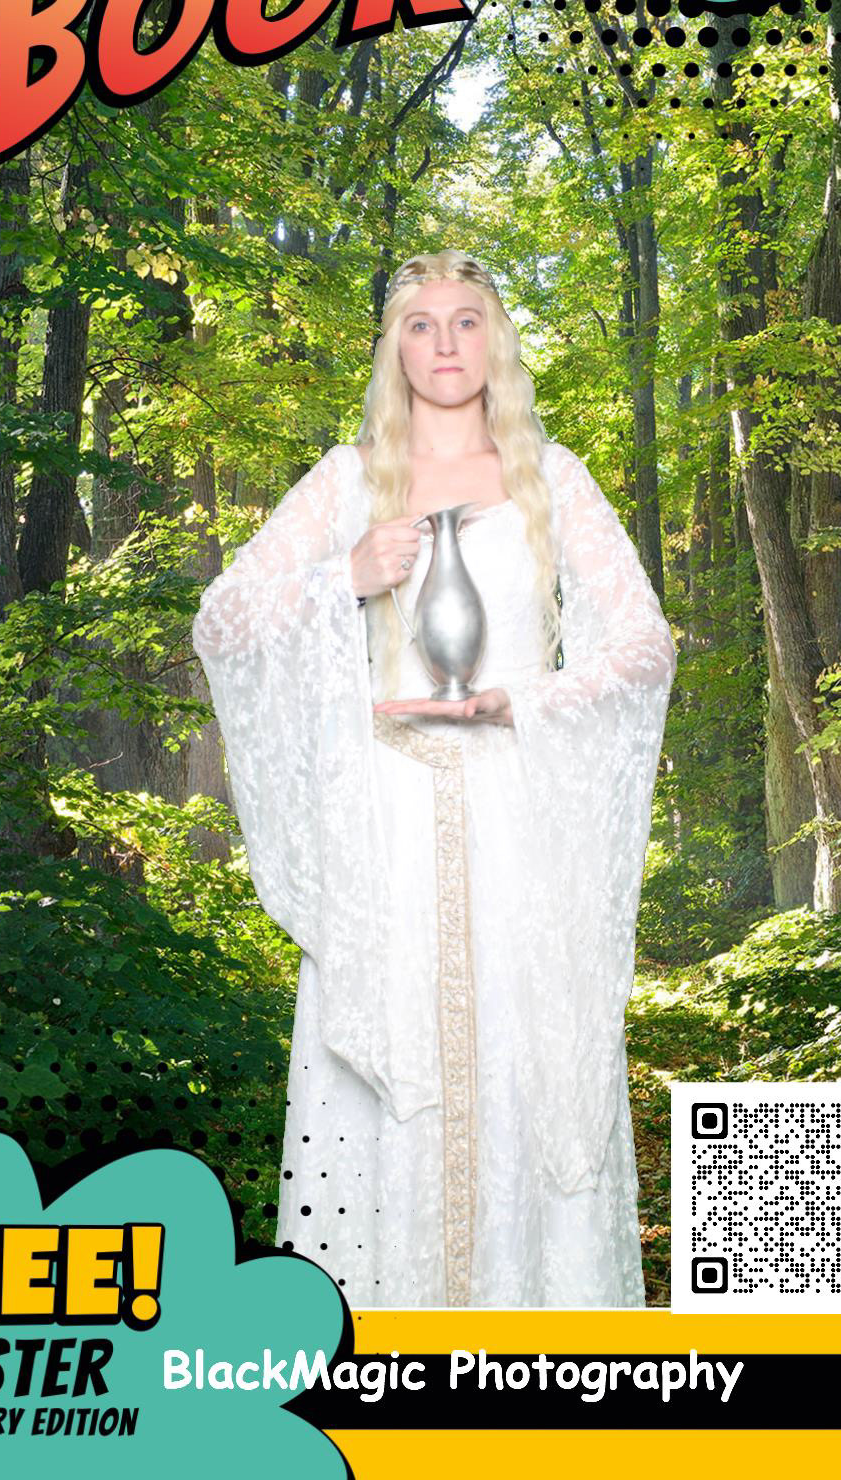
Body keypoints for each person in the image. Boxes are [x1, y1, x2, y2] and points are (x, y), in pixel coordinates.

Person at [192, 250, 676, 1308]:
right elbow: (222, 622)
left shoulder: (555, 477)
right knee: (392, 1072)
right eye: (421, 323)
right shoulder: (348, 479)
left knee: (521, 1066)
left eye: (466, 320)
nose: (445, 342)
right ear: (395, 348)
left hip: (520, 825)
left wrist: (526, 702)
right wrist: (341, 577)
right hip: (389, 832)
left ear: (495, 340)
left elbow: (645, 647)